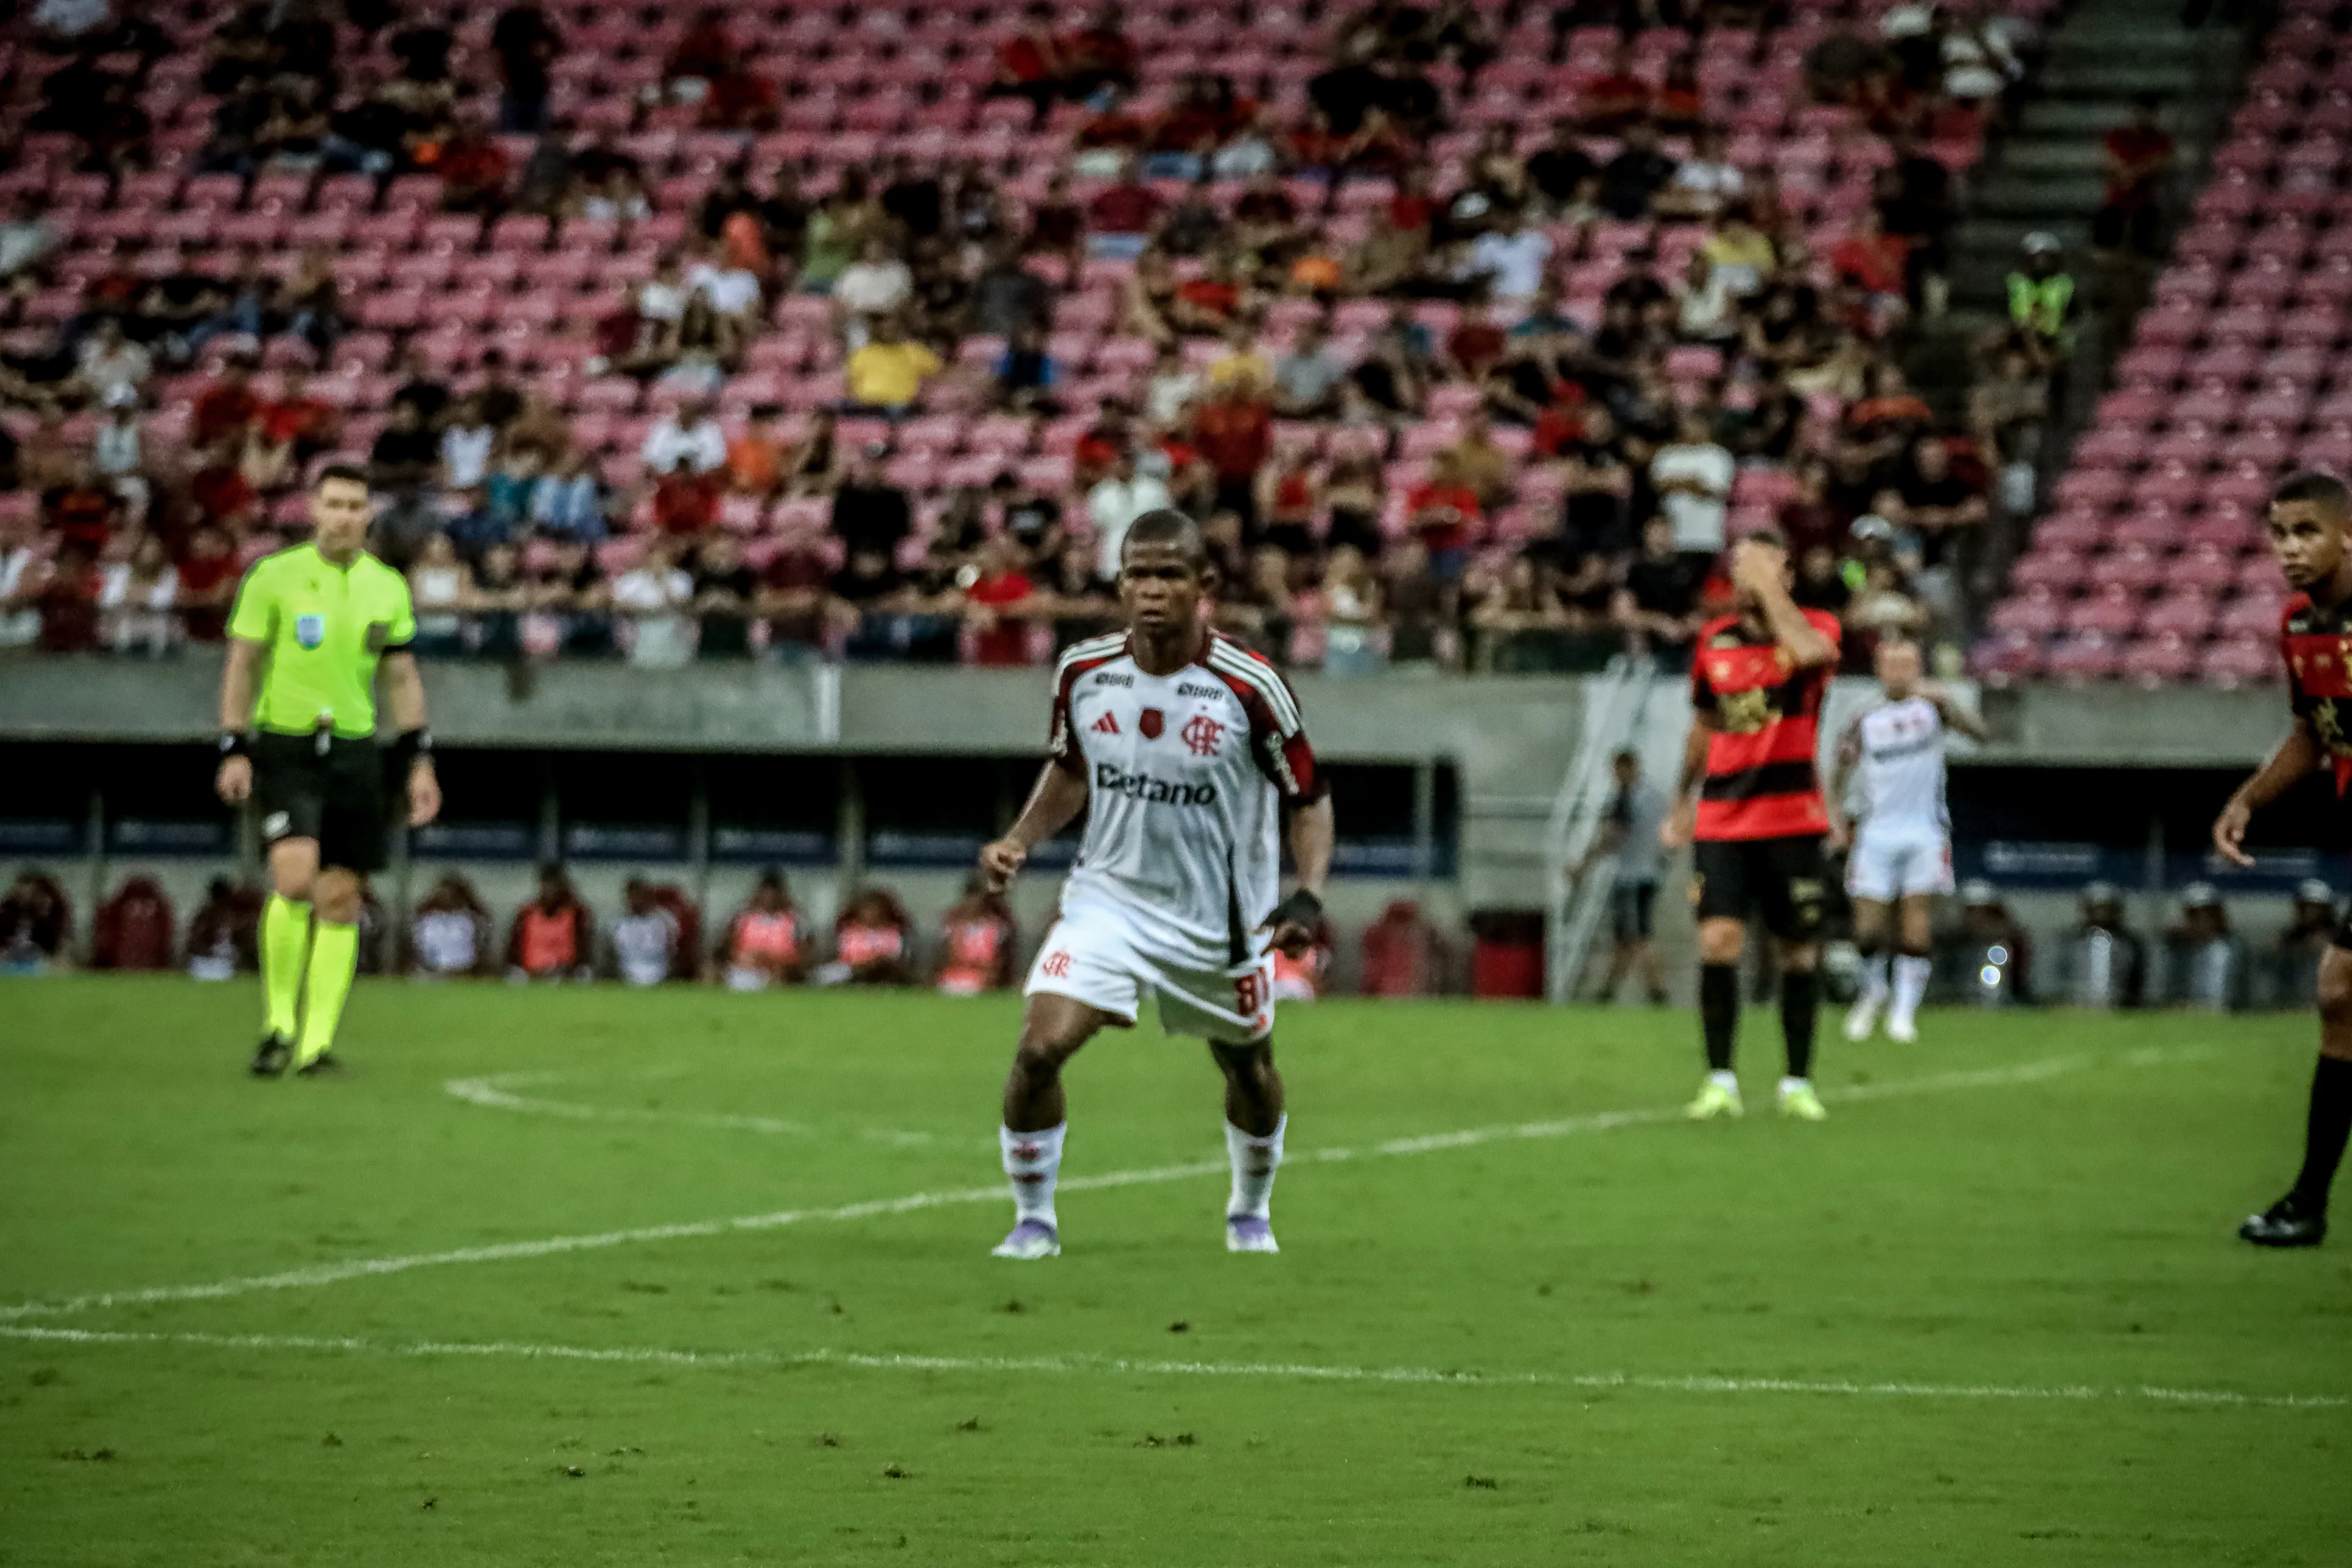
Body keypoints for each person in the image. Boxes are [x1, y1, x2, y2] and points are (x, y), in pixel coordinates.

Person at [978, 509, 1333, 1259]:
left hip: (1219, 922)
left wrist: (1307, 893)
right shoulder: (1083, 672)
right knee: (1038, 1051)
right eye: (1138, 574)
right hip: (1107, 902)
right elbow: (1070, 771)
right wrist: (1019, 839)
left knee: (1248, 1068)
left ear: (1204, 585)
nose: (1151, 590)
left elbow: (1308, 798)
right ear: (1119, 585)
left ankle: (1250, 1209)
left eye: (1169, 575)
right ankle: (1033, 1221)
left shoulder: (1250, 686)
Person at [214, 466, 440, 1077]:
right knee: (293, 878)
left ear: (369, 515)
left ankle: (315, 1046)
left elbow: (400, 677)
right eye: (334, 504)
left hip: (354, 748)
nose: (343, 516)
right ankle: (278, 1026)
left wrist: (419, 761)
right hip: (287, 744)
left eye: (355, 506)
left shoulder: (386, 587)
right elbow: (242, 663)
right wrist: (234, 745)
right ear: (313, 510)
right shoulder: (274, 576)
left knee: (341, 896)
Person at [2211, 472, 2352, 1246]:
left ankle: (2307, 1202)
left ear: (2346, 535)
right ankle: (2307, 1203)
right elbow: (2311, 731)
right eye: (2279, 533)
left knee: (2339, 990)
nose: (2290, 548)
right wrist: (2248, 800)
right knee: (2339, 996)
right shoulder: (2299, 625)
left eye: (2307, 531)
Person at [1660, 531, 1842, 1122]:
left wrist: (1769, 588)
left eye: (1756, 566)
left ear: (1785, 575)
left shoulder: (1817, 628)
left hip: (1792, 818)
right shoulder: (1714, 640)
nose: (1743, 577)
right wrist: (1680, 800)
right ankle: (1719, 1080)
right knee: (1718, 941)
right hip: (1723, 817)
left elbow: (1810, 654)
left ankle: (1797, 1081)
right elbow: (1704, 723)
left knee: (1798, 951)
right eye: (1739, 567)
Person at [1829, 637, 1988, 1044]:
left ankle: (1903, 1011)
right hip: (1876, 831)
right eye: (1891, 665)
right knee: (1867, 929)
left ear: (1919, 668)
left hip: (1925, 831)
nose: (1899, 673)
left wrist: (1949, 703)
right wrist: (1836, 819)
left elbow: (1981, 734)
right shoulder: (1864, 714)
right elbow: (1840, 766)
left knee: (1916, 926)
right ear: (1879, 670)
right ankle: (1873, 991)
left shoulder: (1932, 707)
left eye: (1907, 665)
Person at [1579, 748, 1668, 1005]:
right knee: (1627, 937)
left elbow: (1613, 836)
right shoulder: (1655, 796)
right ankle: (1611, 990)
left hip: (1631, 876)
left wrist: (1583, 865)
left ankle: (1656, 990)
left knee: (1638, 937)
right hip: (1649, 873)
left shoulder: (1626, 798)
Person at [719, 870, 809, 989]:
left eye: (773, 894)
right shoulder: (742, 918)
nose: (769, 898)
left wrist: (772, 959)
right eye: (766, 893)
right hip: (744, 969)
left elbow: (804, 956)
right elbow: (726, 949)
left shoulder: (794, 921)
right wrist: (750, 958)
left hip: (779, 973)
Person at [507, 863, 593, 981]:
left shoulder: (575, 913)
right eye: (546, 883)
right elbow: (514, 950)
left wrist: (564, 969)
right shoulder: (527, 913)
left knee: (584, 974)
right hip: (530, 974)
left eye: (554, 884)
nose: (550, 889)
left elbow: (583, 950)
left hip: (565, 974)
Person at [936, 875, 1018, 995]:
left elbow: (1001, 961)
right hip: (953, 977)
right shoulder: (953, 924)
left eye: (978, 898)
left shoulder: (996, 926)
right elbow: (944, 957)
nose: (974, 903)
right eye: (971, 897)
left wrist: (989, 973)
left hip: (983, 979)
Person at [408, 872, 492, 977]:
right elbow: (417, 943)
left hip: (463, 971)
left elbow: (482, 941)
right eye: (443, 894)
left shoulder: (471, 919)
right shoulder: (428, 918)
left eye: (452, 894)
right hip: (431, 970)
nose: (447, 897)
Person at [608, 877, 680, 986]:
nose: (637, 900)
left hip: (659, 974)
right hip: (626, 975)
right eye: (633, 896)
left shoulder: (665, 920)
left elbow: (673, 950)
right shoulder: (617, 923)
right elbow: (612, 954)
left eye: (640, 895)